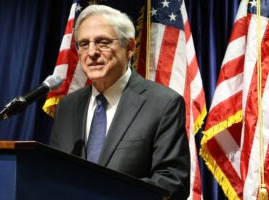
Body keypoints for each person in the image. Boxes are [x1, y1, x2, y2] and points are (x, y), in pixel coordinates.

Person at [50, 4, 190, 200]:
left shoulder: (163, 104)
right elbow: (53, 175)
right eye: (83, 44)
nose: (91, 52)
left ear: (130, 48)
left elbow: (173, 182)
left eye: (103, 42)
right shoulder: (67, 107)